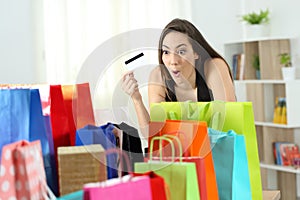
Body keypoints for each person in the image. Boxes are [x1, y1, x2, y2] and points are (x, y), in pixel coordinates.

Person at [122, 18, 236, 137]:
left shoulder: (213, 67)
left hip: (218, 150)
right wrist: (136, 99)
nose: (173, 61)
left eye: (181, 51)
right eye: (166, 52)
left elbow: (229, 119)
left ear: (196, 52)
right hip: (180, 151)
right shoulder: (159, 76)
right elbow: (152, 134)